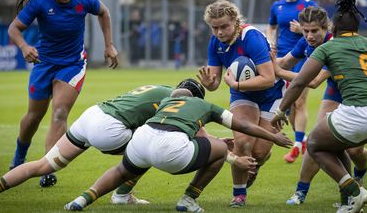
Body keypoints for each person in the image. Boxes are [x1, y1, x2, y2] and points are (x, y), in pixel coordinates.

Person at [0, 79, 256, 205]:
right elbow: (198, 137)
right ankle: (120, 196)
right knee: (151, 148)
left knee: (42, 165)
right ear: (193, 96)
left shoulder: (159, 89)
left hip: (91, 116)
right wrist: (231, 155)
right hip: (111, 129)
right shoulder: (181, 100)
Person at [64, 87, 293, 212]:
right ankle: (188, 200)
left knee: (121, 171)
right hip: (171, 150)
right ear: (196, 96)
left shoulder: (165, 102)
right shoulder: (203, 104)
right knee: (220, 149)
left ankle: (81, 201)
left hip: (142, 139)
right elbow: (242, 126)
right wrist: (273, 136)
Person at [271, 0, 367, 213]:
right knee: (331, 143)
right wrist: (267, 61)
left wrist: (281, 109)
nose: (309, 35)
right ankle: (326, 196)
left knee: (318, 144)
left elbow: (307, 82)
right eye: (305, 31)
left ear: (331, 29)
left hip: (357, 107)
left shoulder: (330, 46)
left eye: (314, 31)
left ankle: (355, 190)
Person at [6, 0, 118, 187]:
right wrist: (24, 46)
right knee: (33, 117)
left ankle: (47, 167)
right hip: (43, 64)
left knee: (59, 112)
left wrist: (108, 44)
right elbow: (14, 28)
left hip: (72, 65)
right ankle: (19, 156)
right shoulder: (40, 2)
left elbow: (104, 12)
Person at [197, 0, 286, 207]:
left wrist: (236, 84)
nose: (219, 32)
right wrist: (210, 84)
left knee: (259, 153)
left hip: (271, 95)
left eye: (224, 26)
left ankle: (259, 160)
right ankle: (239, 196)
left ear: (235, 21)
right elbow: (216, 82)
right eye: (214, 27)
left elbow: (268, 78)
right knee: (243, 142)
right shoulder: (215, 43)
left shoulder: (251, 37)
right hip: (243, 95)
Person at [266, 0, 317, 163]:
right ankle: (302, 140)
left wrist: (302, 30)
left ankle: (296, 148)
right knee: (290, 105)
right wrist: (270, 40)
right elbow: (271, 26)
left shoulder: (308, 5)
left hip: (304, 56)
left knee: (299, 101)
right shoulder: (277, 6)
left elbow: (323, 30)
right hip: (282, 58)